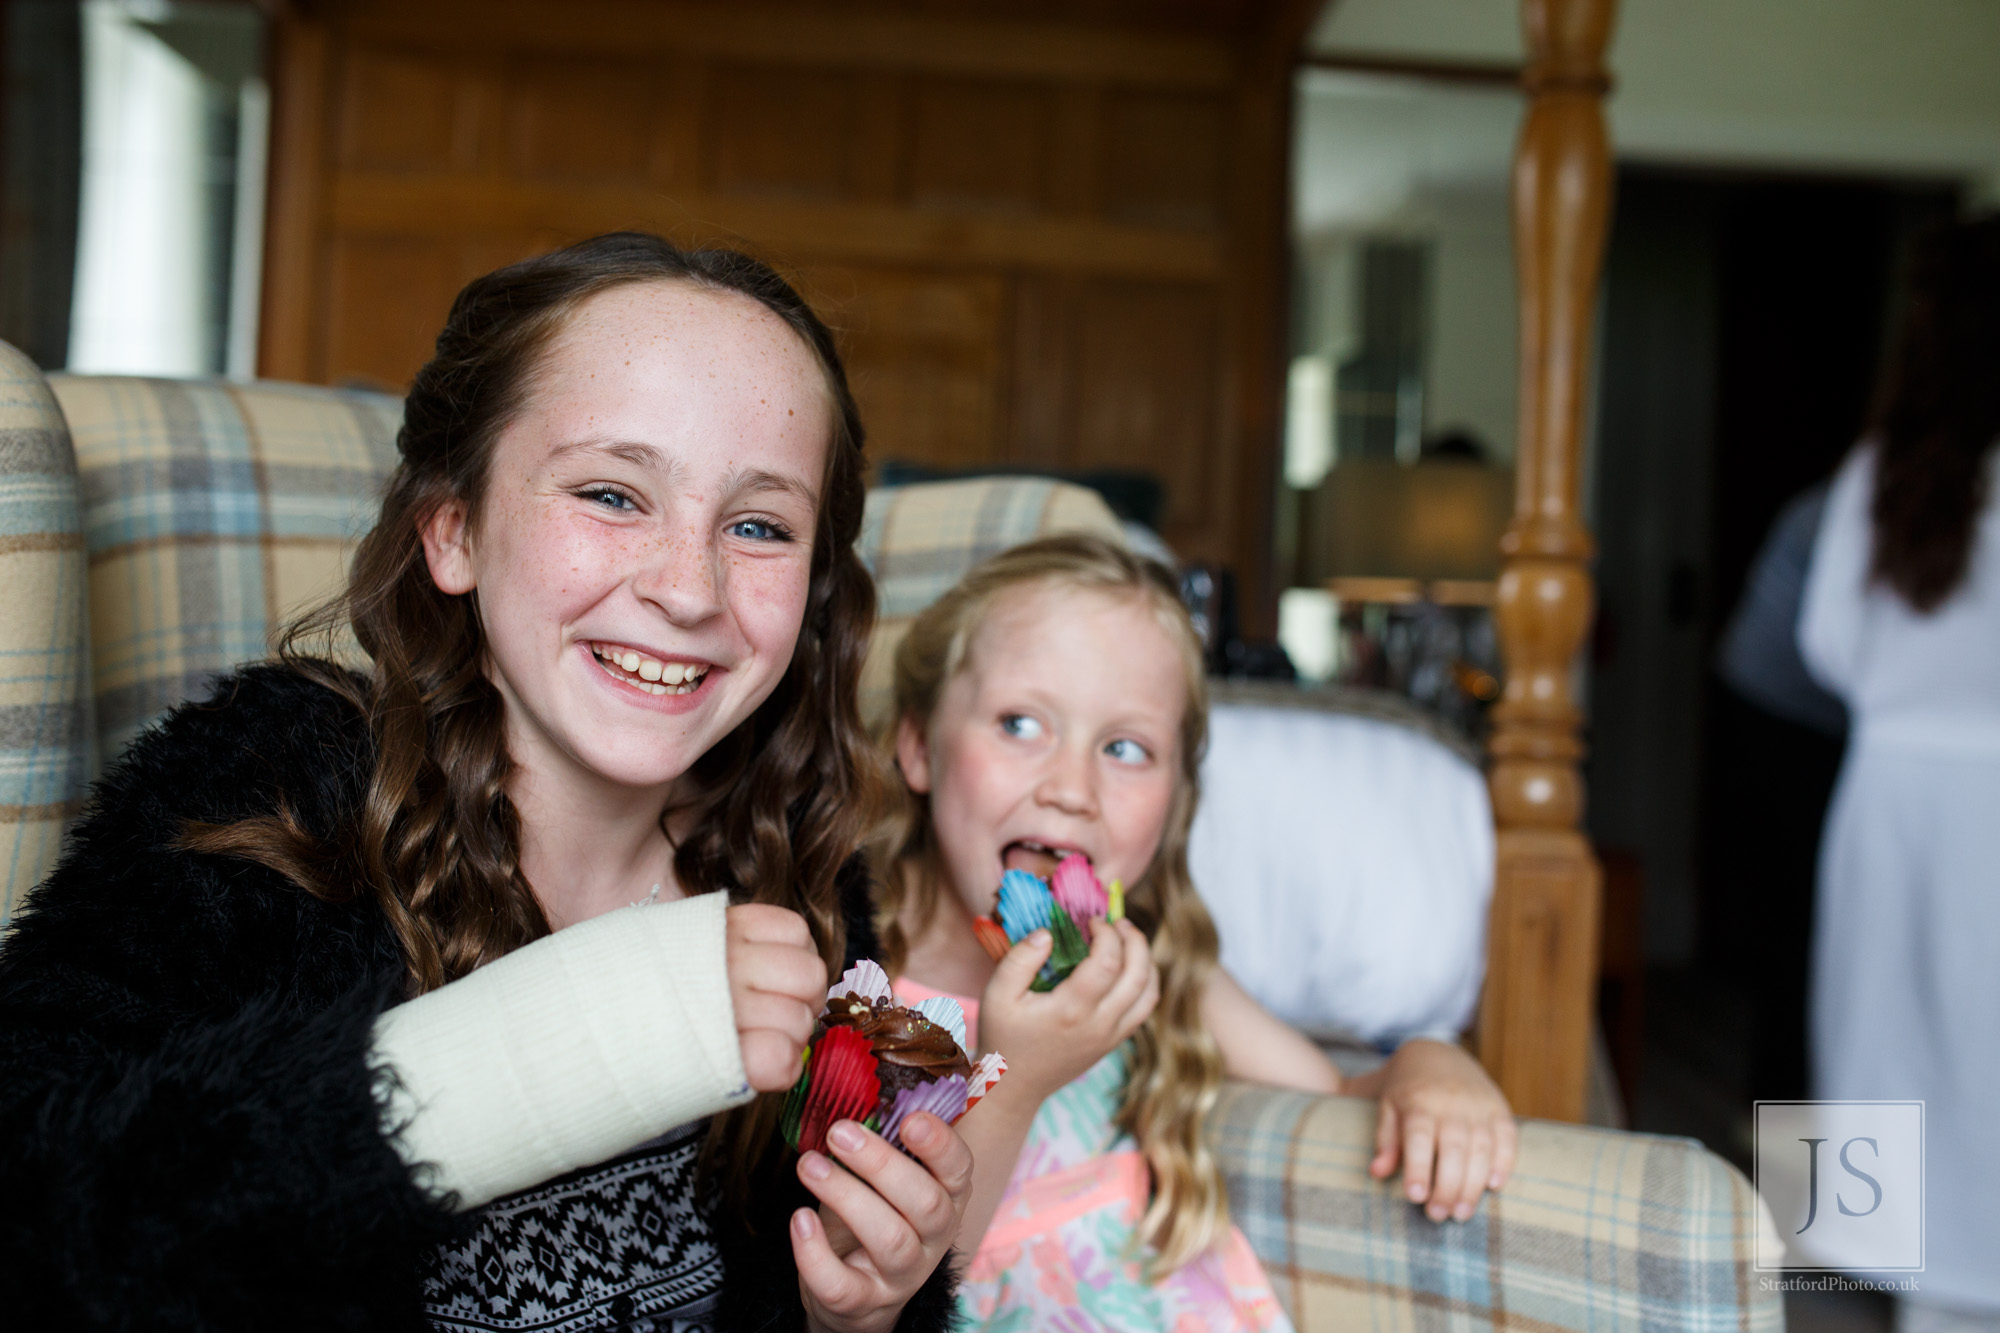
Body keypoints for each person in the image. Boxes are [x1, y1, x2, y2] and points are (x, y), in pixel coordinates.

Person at [0, 234, 970, 1332]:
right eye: (612, 494)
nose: (688, 588)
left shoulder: (789, 862)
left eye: (757, 525)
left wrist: (856, 1315)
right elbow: (34, 1217)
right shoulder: (272, 793)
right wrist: (542, 1049)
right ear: (453, 529)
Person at [872, 534, 1517, 1331]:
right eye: (1019, 723)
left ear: (1176, 801)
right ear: (916, 745)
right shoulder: (855, 984)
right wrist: (1018, 1078)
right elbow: (880, 1294)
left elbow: (1342, 1089)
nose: (1072, 788)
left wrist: (1432, 1061)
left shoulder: (1154, 972)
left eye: (1126, 747)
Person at [1800, 215, 2000, 1330]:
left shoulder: (1885, 471)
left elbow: (1822, 642)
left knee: (1883, 1041)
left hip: (1889, 796)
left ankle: (1868, 1272)